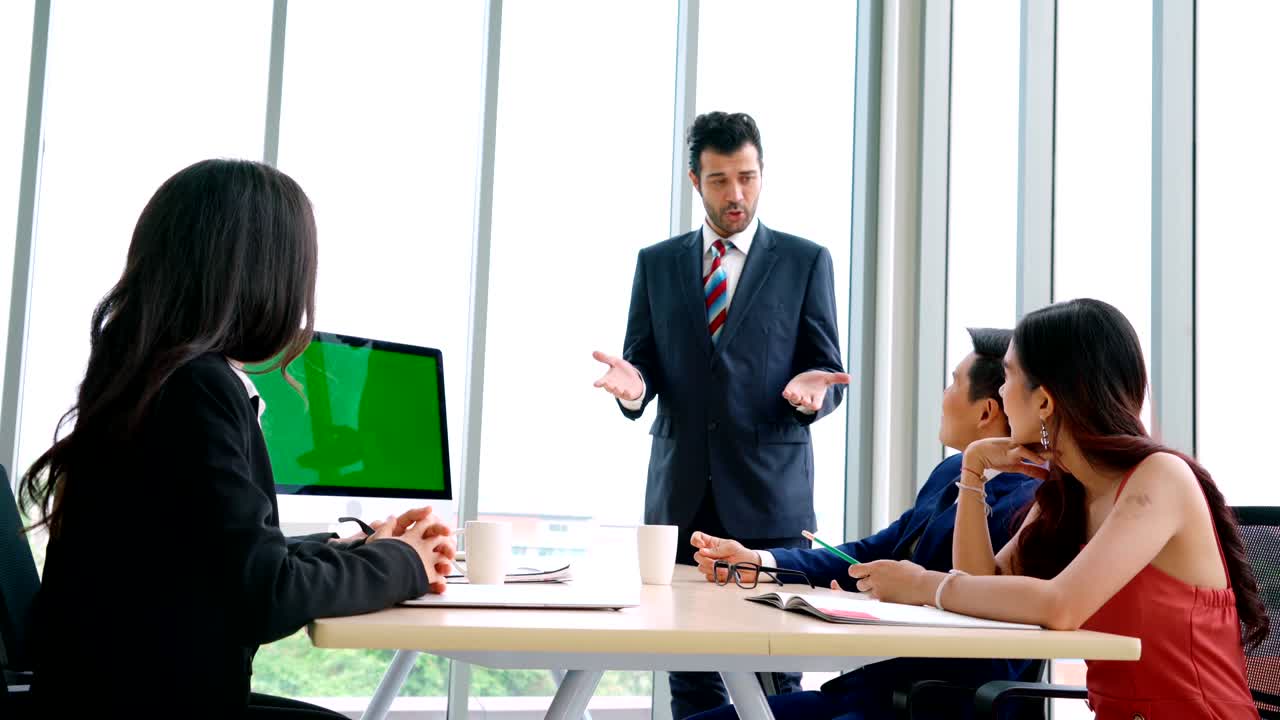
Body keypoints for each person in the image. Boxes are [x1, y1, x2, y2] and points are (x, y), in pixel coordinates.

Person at [20, 159, 456, 718]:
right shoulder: (197, 388)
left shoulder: (150, 375)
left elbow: (216, 558)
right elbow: (264, 596)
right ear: (264, 274)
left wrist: (356, 549)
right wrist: (405, 563)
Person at [847, 298, 1266, 719]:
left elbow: (1061, 605)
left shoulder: (1161, 477)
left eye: (1008, 377)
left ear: (1044, 402)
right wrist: (973, 469)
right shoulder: (1067, 493)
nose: (1002, 393)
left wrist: (922, 584)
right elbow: (978, 585)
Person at [591, 111, 850, 718]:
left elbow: (827, 372)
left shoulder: (805, 260)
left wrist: (814, 397)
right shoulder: (656, 263)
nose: (736, 194)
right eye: (719, 180)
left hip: (770, 507)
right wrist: (633, 389)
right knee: (693, 683)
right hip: (680, 504)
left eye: (747, 177)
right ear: (694, 180)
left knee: (775, 682)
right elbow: (642, 365)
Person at [689, 328, 1041, 720]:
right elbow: (871, 553)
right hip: (874, 691)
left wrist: (903, 594)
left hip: (930, 703)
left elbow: (987, 617)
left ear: (986, 412)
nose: (943, 397)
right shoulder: (951, 473)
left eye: (953, 383)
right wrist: (760, 560)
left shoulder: (1027, 500)